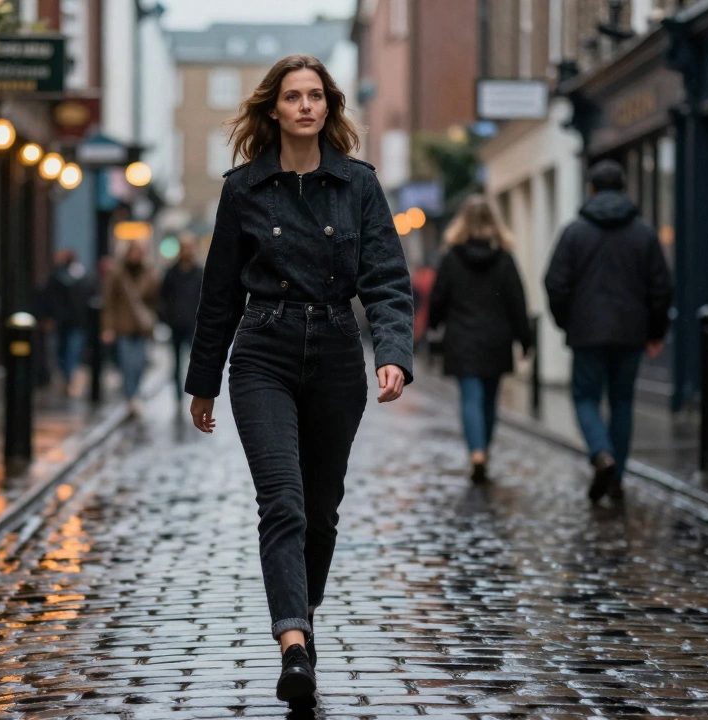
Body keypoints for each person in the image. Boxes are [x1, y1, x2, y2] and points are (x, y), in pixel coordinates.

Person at [184, 54, 414, 708]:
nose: (306, 105)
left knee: (321, 509)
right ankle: (294, 643)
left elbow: (389, 282)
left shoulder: (359, 185)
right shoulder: (244, 189)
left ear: (329, 107)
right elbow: (218, 295)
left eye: (317, 95)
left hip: (339, 354)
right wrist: (203, 382)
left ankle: (299, 607)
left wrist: (391, 352)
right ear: (275, 108)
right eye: (294, 96)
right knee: (282, 501)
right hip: (264, 353)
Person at [544, 160, 673, 505]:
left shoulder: (574, 232)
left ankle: (602, 454)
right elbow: (661, 287)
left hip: (587, 333)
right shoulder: (644, 233)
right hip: (631, 333)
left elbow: (555, 283)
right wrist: (656, 331)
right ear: (624, 188)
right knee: (623, 401)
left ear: (592, 190)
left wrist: (566, 321)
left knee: (585, 397)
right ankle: (616, 479)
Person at [428, 195, 532, 484]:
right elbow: (517, 301)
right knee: (489, 398)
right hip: (496, 338)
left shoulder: (451, 258)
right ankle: (484, 448)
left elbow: (438, 298)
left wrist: (434, 324)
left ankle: (476, 454)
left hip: (462, 337)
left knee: (470, 398)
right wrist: (525, 339)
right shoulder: (505, 258)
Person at [101, 240, 159, 417]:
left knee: (140, 364)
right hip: (123, 326)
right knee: (127, 364)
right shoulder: (118, 273)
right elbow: (109, 302)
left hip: (142, 327)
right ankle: (131, 397)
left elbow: (154, 300)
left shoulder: (148, 273)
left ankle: (135, 394)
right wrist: (108, 328)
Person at [41, 250, 93, 396]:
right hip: (61, 322)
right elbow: (49, 298)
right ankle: (67, 378)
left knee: (73, 352)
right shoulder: (56, 277)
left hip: (77, 322)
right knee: (61, 352)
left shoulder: (81, 277)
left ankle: (70, 379)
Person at [159, 235, 204, 401]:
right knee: (176, 362)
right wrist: (167, 317)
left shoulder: (199, 272)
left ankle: (196, 393)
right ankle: (178, 395)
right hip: (176, 324)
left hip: (194, 324)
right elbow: (163, 297)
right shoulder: (171, 273)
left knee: (195, 360)